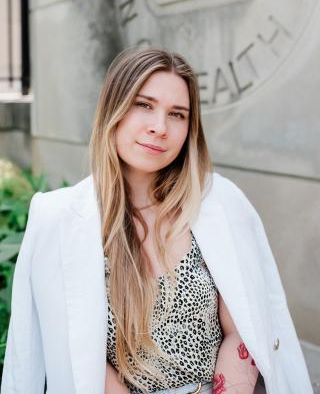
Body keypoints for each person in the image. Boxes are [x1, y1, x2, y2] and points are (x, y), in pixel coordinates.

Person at [1, 47, 313, 394]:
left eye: (177, 114)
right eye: (144, 105)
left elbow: (247, 326)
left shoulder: (222, 204)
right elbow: (72, 354)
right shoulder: (58, 219)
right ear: (113, 109)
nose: (159, 127)